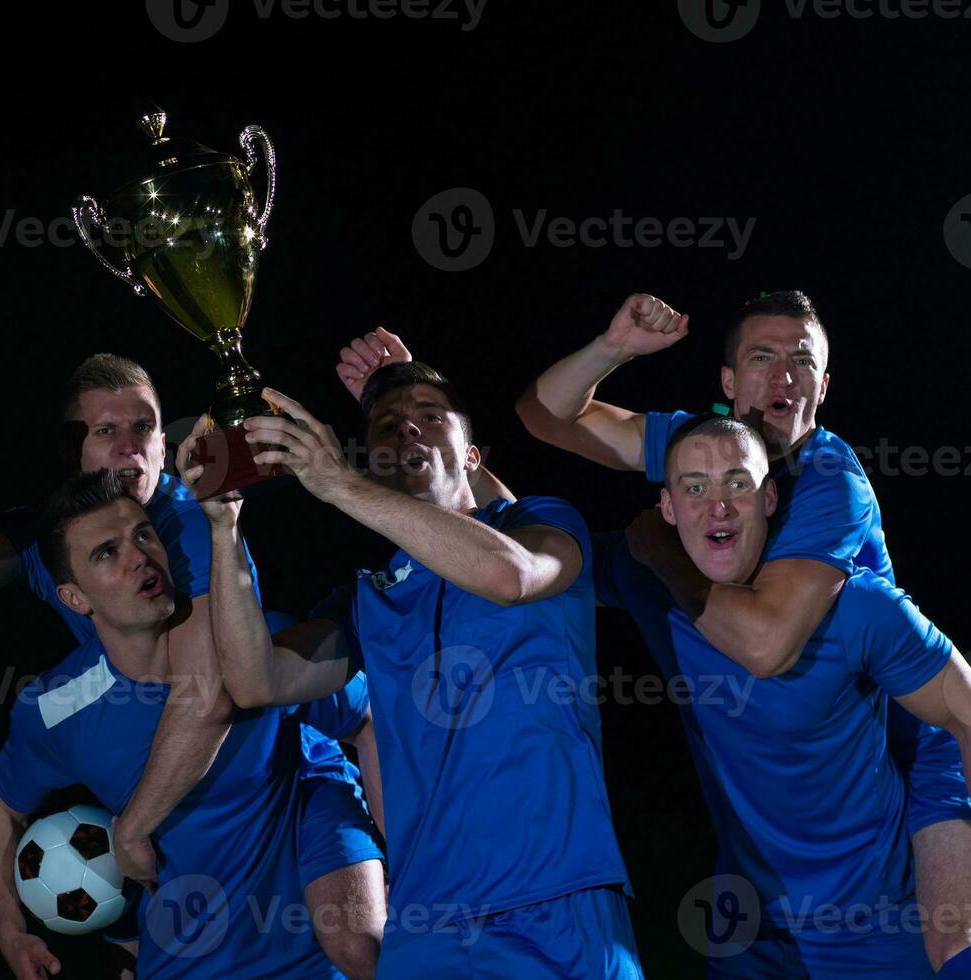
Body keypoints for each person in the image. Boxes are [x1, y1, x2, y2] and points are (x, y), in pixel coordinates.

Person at [516, 292, 971, 973]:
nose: (782, 376)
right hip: (783, 786)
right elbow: (542, 415)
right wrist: (613, 348)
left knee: (961, 939)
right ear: (728, 384)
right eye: (762, 358)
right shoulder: (710, 447)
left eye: (801, 362)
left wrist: (666, 559)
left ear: (822, 385)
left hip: (908, 743)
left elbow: (764, 645)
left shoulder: (829, 483)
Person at [0, 354, 385, 977]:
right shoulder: (57, 592)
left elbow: (211, 694)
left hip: (269, 759)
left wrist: (130, 831)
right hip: (171, 784)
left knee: (356, 945)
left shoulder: (193, 524)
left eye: (144, 428)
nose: (130, 449)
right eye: (106, 432)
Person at [187, 364, 643, 978]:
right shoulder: (365, 598)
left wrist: (339, 485)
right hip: (425, 926)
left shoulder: (539, 524)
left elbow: (509, 577)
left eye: (432, 416)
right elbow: (255, 681)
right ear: (373, 462)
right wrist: (223, 530)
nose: (408, 427)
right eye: (386, 425)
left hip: (555, 902)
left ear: (472, 454)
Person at [589, 414, 971, 978]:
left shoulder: (857, 606)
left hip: (882, 928)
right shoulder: (649, 575)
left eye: (738, 484)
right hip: (752, 934)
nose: (717, 506)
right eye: (695, 487)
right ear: (666, 510)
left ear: (770, 497)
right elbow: (529, 552)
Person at [0, 469, 380, 979]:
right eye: (107, 553)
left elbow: (364, 721)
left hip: (309, 962)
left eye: (143, 534)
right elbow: (3, 807)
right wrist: (8, 928)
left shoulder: (257, 653)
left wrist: (407, 866)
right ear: (75, 599)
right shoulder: (55, 708)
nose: (140, 558)